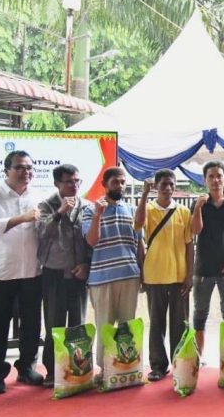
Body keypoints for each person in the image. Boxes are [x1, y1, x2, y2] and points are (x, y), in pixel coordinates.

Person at [0, 151, 42, 395]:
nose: (26, 172)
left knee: (31, 324)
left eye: (29, 167)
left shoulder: (38, 197)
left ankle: (27, 367)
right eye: (19, 167)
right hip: (2, 272)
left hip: (31, 271)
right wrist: (22, 218)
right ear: (6, 170)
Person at [82, 166, 141, 380]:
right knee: (105, 326)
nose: (120, 186)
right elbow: (91, 241)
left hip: (129, 276)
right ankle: (105, 370)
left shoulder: (132, 210)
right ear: (104, 184)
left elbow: (138, 244)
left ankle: (126, 367)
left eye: (123, 182)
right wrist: (98, 214)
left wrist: (141, 273)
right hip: (102, 278)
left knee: (128, 325)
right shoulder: (90, 209)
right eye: (115, 181)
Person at [134, 169, 193, 381]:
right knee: (156, 322)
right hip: (154, 275)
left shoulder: (184, 212)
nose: (168, 188)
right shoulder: (148, 209)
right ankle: (158, 366)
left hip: (179, 276)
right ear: (156, 187)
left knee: (180, 323)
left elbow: (189, 245)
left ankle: (180, 362)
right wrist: (143, 195)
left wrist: (190, 275)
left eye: (171, 184)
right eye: (163, 184)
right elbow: (138, 226)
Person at [37, 163, 90, 388]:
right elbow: (41, 233)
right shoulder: (46, 205)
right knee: (54, 324)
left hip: (79, 274)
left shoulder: (88, 206)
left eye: (77, 181)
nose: (74, 185)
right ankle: (52, 370)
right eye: (69, 181)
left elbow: (91, 240)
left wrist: (86, 264)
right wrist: (60, 213)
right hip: (54, 273)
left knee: (77, 324)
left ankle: (78, 368)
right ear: (57, 183)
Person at [191, 161, 224, 357]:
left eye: (219, 176)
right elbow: (195, 231)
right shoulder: (199, 204)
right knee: (200, 314)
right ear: (205, 180)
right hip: (203, 269)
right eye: (211, 176)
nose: (215, 180)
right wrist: (197, 208)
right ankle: (198, 356)